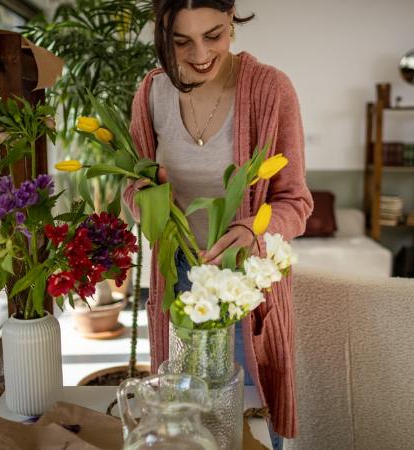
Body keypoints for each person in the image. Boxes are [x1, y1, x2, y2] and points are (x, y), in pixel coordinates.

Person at [124, 1, 313, 446]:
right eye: (181, 42)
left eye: (214, 35)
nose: (201, 55)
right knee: (183, 423)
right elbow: (131, 186)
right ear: (161, 34)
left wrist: (251, 230)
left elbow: (295, 201)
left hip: (247, 287)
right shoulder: (151, 93)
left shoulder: (270, 90)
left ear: (232, 20)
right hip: (179, 280)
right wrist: (151, 201)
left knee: (252, 421)